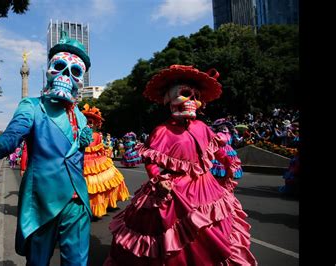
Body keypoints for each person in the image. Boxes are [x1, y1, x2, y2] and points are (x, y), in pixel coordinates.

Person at [0, 31, 93, 265]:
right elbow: (12, 137)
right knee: (38, 261)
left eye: (75, 71)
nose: (66, 75)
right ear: (50, 69)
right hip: (43, 200)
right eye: (59, 66)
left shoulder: (81, 117)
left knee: (77, 262)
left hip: (78, 202)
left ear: (80, 79)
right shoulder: (31, 106)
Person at [104, 65, 257, 265]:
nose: (192, 101)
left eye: (196, 96)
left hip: (206, 187)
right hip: (175, 189)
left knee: (213, 231)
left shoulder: (202, 127)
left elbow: (215, 148)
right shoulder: (162, 131)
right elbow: (152, 160)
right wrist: (158, 180)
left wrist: (229, 162)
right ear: (169, 99)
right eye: (185, 94)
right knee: (172, 238)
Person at [81, 104, 130, 218]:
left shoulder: (97, 135)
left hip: (96, 161)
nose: (90, 123)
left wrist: (106, 154)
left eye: (91, 121)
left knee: (103, 183)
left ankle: (102, 204)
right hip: (84, 160)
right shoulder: (80, 134)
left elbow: (100, 148)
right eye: (88, 121)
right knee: (91, 185)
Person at [209, 118, 243, 192]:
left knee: (225, 167)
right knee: (226, 167)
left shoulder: (221, 134)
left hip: (222, 151)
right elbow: (238, 141)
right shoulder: (229, 134)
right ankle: (222, 183)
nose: (224, 128)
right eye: (222, 126)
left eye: (225, 126)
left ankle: (222, 184)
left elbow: (237, 141)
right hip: (224, 151)